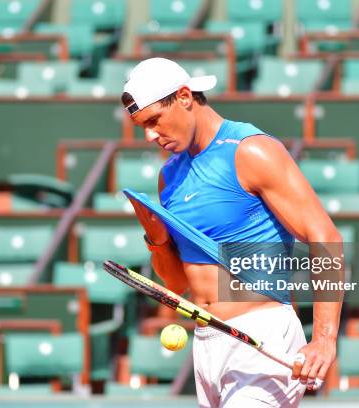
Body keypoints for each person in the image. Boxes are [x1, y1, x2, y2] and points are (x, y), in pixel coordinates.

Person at [121, 57, 343, 407]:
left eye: (153, 121)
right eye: (141, 127)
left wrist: (325, 338)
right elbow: (177, 285)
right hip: (207, 343)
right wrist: (157, 239)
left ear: (183, 97)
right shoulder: (169, 177)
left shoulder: (251, 150)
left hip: (262, 336)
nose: (150, 135)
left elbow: (325, 236)